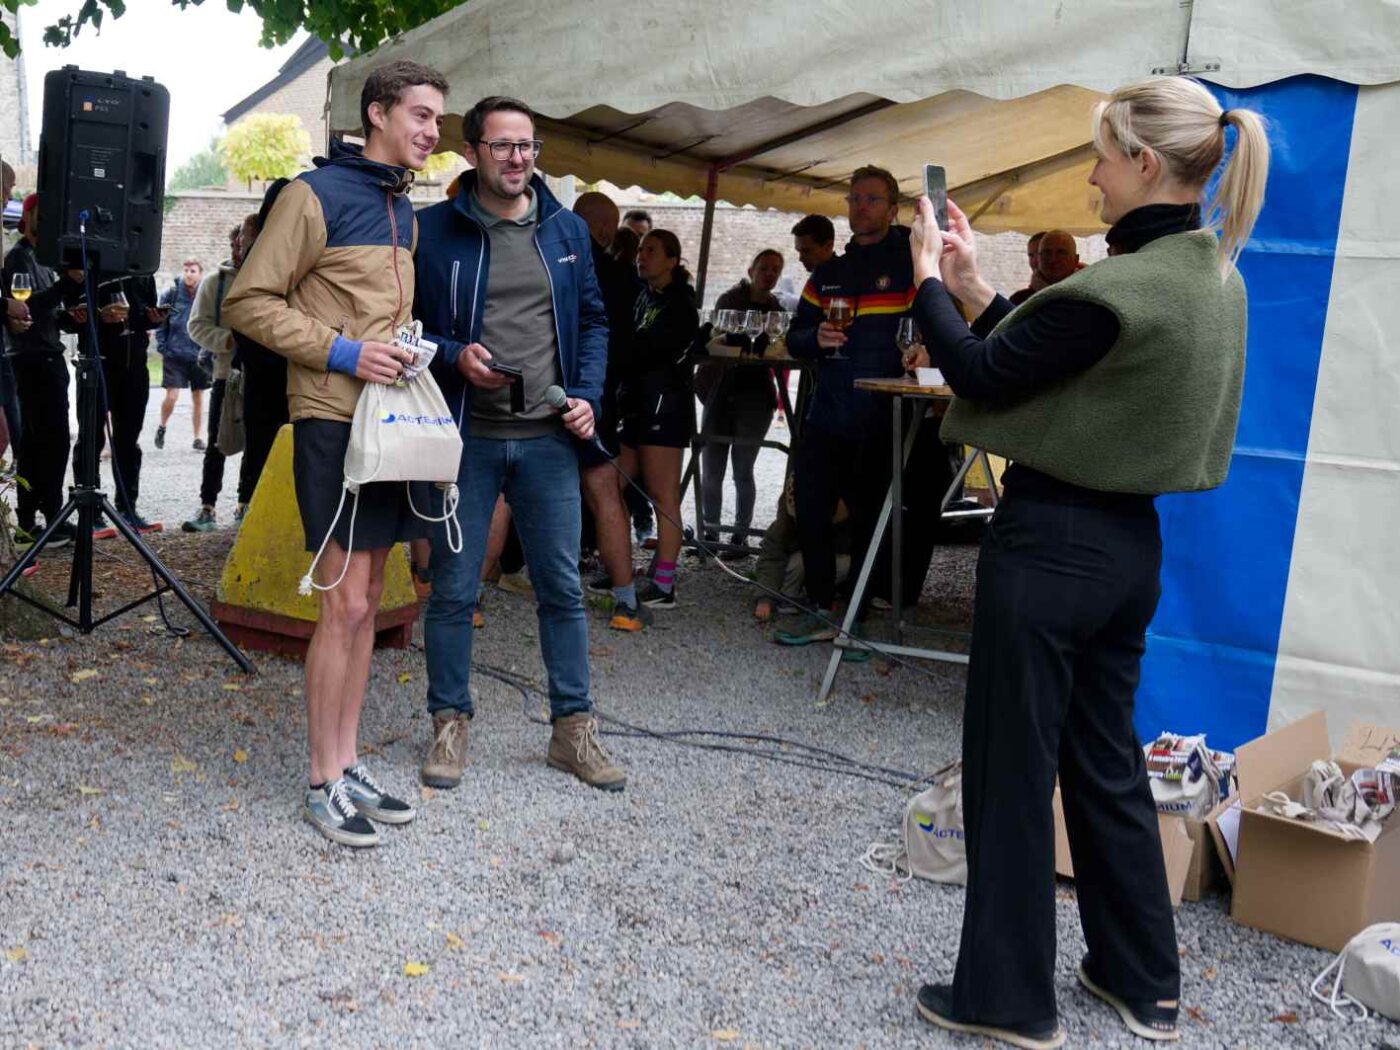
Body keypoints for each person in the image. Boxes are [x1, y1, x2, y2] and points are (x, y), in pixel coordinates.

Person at [907, 78, 1268, 1049]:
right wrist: (975, 288)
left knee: (1010, 771)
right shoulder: (1212, 276)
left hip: (1050, 548)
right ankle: (1141, 978)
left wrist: (928, 281)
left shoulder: (1120, 289)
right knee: (1105, 764)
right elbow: (1060, 361)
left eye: (1102, 158)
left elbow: (982, 373)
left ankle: (1006, 999)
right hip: (1127, 551)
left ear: (1143, 163)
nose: (1093, 179)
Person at [222, 59, 450, 848]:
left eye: (438, 119)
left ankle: (348, 764)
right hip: (331, 422)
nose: (432, 131)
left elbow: (380, 312)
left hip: (389, 424)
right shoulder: (312, 195)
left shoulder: (403, 207)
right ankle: (322, 783)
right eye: (421, 115)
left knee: (368, 603)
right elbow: (246, 302)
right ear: (377, 113)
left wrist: (406, 346)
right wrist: (345, 352)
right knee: (341, 605)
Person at [413, 94, 626, 793]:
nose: (517, 158)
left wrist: (587, 395)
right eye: (503, 145)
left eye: (527, 145)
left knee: (561, 588)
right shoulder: (432, 230)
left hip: (548, 441)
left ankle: (573, 730)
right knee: (453, 589)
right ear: (472, 151)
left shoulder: (567, 231)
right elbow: (402, 326)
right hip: (465, 439)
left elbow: (593, 321)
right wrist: (454, 356)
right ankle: (449, 721)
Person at [778, 165, 912, 647]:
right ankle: (820, 607)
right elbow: (794, 338)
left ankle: (856, 617)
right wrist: (813, 336)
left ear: (893, 209)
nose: (861, 207)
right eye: (855, 198)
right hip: (827, 414)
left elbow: (935, 331)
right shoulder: (828, 272)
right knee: (811, 513)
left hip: (881, 418)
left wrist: (924, 351)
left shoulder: (911, 268)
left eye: (872, 199)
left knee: (870, 521)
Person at [571, 189, 651, 632]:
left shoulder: (542, 259)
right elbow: (628, 345)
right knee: (605, 494)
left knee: (503, 491)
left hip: (540, 392)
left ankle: (472, 600)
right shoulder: (620, 276)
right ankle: (625, 602)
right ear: (604, 229)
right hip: (593, 397)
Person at [617, 228, 699, 608]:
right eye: (640, 250)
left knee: (663, 496)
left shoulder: (681, 305)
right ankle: (619, 565)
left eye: (651, 250)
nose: (642, 256)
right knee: (610, 484)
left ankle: (664, 584)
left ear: (672, 260)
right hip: (635, 406)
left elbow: (648, 351)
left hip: (664, 408)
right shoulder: (642, 296)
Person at [3, 194, 79, 546]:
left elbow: (46, 312)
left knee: (39, 441)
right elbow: (25, 308)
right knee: (50, 440)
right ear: (33, 217)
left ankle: (35, 519)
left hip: (47, 354)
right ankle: (47, 517)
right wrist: (67, 283)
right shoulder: (19, 258)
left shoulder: (44, 260)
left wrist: (70, 316)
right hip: (32, 358)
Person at [67, 271, 162, 534]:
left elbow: (143, 315)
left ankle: (128, 508)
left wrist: (154, 318)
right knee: (91, 439)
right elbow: (68, 318)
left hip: (135, 366)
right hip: (97, 365)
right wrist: (99, 316)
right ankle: (90, 514)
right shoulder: (87, 266)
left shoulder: (143, 270)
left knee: (128, 440)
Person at [700, 248, 783, 548]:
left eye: (775, 270)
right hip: (722, 388)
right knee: (712, 466)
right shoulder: (730, 301)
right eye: (764, 268)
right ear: (751, 271)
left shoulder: (777, 309)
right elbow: (719, 337)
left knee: (743, 469)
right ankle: (710, 531)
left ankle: (740, 535)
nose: (769, 274)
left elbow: (773, 347)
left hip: (755, 394)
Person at [232, 180, 293, 522]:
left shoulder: (288, 247)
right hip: (268, 370)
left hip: (283, 368)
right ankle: (256, 518)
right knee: (262, 447)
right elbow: (244, 316)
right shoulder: (262, 252)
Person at [181, 225, 245, 532]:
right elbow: (196, 325)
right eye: (235, 245)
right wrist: (227, 340)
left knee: (258, 443)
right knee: (217, 442)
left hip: (264, 375)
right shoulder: (213, 283)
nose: (238, 252)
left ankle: (245, 505)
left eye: (243, 245)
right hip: (225, 374)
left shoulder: (273, 278)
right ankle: (208, 506)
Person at [154, 258, 211, 451]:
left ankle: (198, 437)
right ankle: (162, 426)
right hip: (175, 354)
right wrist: (163, 347)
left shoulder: (206, 294)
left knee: (198, 397)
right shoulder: (172, 294)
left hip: (198, 354)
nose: (188, 274)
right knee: (172, 396)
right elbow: (161, 321)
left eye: (193, 270)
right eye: (186, 270)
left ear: (200, 273)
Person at [1008, 230, 1047, 305]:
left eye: (1040, 254)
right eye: (1031, 255)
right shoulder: (1019, 299)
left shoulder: (1068, 296)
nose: (1035, 261)